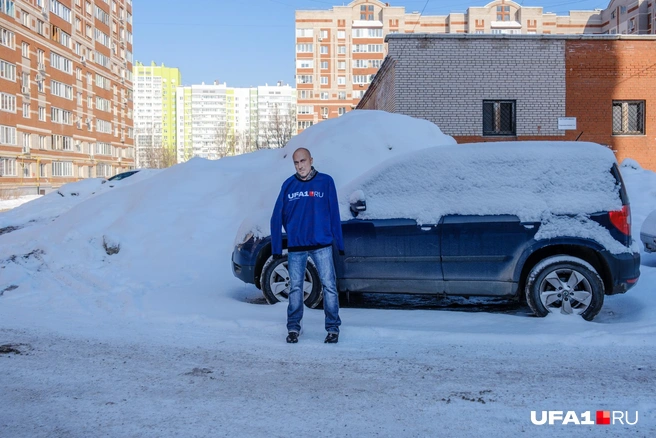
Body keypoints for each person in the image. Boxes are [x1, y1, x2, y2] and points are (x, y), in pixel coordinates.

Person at [270, 147, 345, 344]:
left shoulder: (326, 182)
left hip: (322, 244)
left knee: (329, 286)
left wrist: (339, 241)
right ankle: (294, 327)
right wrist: (277, 247)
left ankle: (332, 328)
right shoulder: (288, 185)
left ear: (311, 160)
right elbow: (276, 215)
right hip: (297, 246)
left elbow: (334, 213)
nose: (300, 165)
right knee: (295, 288)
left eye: (303, 161)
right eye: (296, 162)